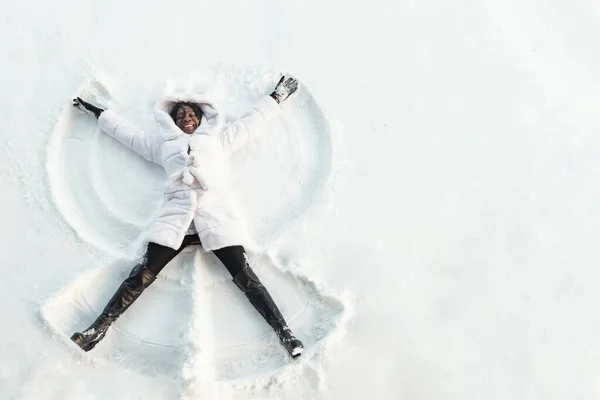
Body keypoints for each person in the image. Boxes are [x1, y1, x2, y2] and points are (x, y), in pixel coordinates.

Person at [69, 76, 304, 358]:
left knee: (247, 278)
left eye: (192, 114)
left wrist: (275, 97)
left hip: (215, 218)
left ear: (202, 118)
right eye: (181, 115)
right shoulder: (162, 146)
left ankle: (285, 333)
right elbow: (127, 134)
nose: (187, 118)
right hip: (176, 220)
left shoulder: (219, 140)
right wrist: (98, 113)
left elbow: (250, 123)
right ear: (173, 121)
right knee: (139, 277)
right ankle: (97, 330)